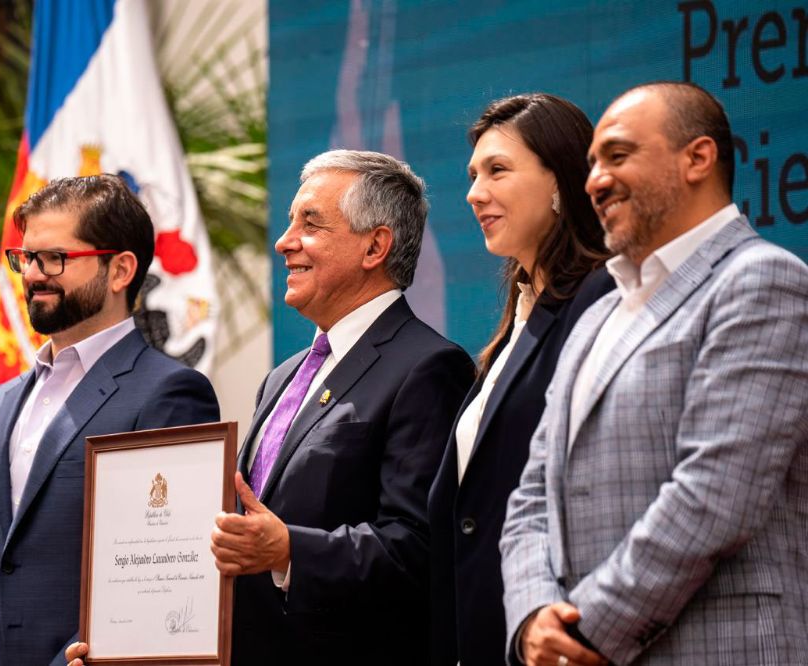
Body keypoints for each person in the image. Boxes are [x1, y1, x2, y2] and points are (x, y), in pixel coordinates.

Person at [66, 150, 473, 666]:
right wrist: (129, 642)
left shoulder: (428, 367)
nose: (284, 243)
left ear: (375, 246)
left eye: (311, 224)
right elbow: (233, 540)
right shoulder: (283, 377)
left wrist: (289, 550)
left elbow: (418, 548)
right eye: (288, 223)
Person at [500, 81, 808, 666]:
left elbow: (716, 495)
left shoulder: (762, 280)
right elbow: (531, 495)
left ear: (698, 157)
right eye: (591, 163)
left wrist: (583, 633)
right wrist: (535, 616)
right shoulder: (597, 315)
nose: (594, 180)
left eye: (617, 155)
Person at [0, 174, 220, 666]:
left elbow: (165, 579)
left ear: (120, 270)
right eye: (25, 258)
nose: (33, 274)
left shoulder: (169, 394)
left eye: (55, 258)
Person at [427, 94, 613, 666]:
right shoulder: (515, 323)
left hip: (561, 633)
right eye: (473, 175)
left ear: (561, 181)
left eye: (498, 170)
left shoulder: (602, 302)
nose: (474, 193)